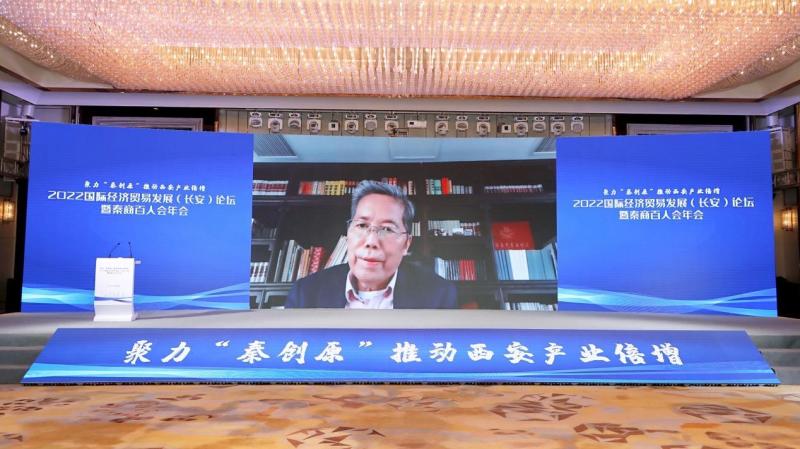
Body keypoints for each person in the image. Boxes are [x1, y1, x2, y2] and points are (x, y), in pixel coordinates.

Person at [285, 180, 457, 309]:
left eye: (387, 229)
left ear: (406, 244)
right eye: (362, 225)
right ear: (348, 233)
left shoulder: (438, 295)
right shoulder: (305, 294)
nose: (371, 242)